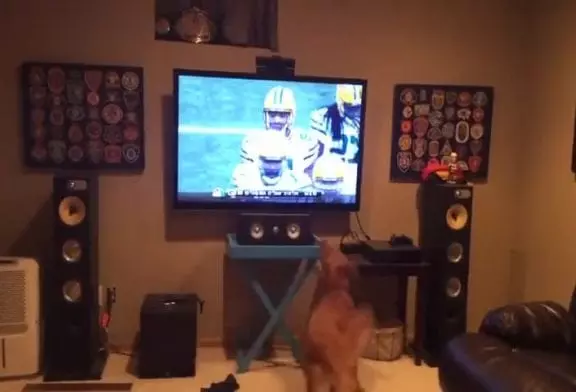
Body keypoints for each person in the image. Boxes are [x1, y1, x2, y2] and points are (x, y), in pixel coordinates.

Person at [233, 86, 318, 190]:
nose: (277, 120)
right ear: (265, 116)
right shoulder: (251, 143)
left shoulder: (305, 143)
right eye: (272, 114)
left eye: (282, 115)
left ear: (291, 116)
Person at [309, 84, 362, 163]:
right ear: (340, 103)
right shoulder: (322, 118)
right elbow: (315, 156)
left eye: (358, 108)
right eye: (350, 108)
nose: (355, 113)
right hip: (332, 171)